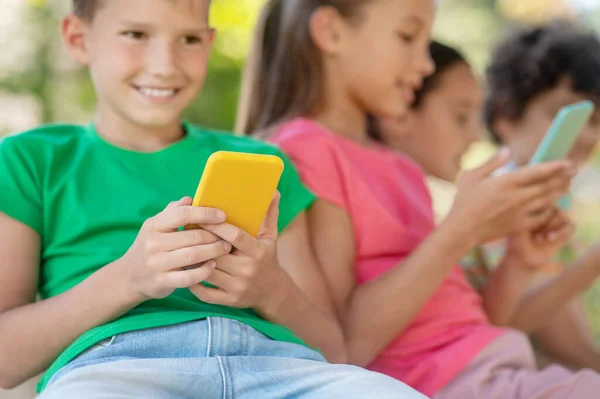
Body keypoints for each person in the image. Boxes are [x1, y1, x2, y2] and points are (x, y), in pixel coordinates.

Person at [0, 1, 426, 398]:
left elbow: (334, 350)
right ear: (78, 39)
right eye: (135, 34)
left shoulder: (262, 163)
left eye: (188, 40)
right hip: (118, 368)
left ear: (209, 42)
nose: (165, 65)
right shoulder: (31, 161)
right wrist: (127, 279)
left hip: (278, 367)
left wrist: (269, 288)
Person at [237, 1, 600, 397]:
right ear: (332, 33)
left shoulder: (402, 168)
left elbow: (473, 324)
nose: (425, 64)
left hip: (494, 371)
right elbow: (347, 343)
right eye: (408, 37)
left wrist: (518, 262)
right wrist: (458, 232)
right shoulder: (306, 151)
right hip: (442, 384)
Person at [380, 35, 600, 373]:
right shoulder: (506, 202)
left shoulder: (549, 203)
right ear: (505, 117)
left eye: (597, 122)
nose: (587, 135)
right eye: (565, 114)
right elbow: (527, 330)